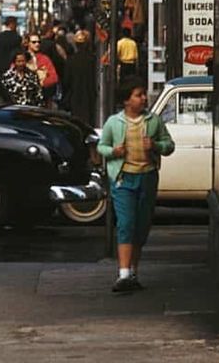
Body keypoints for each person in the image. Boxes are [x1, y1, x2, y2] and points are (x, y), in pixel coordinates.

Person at [97, 76, 175, 293]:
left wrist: (156, 145)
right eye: (138, 95)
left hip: (147, 177)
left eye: (143, 95)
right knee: (126, 223)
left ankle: (133, 272)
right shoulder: (114, 122)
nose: (143, 99)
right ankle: (122, 274)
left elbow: (169, 146)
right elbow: (101, 146)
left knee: (141, 226)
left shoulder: (153, 121)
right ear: (126, 101)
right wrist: (114, 151)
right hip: (123, 179)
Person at [65, 29, 96, 126]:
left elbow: (66, 81)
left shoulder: (71, 60)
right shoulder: (93, 60)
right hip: (90, 95)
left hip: (75, 96)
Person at [24, 34, 59, 106]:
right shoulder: (21, 58)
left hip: (43, 98)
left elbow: (54, 77)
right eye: (34, 42)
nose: (37, 44)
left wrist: (43, 83)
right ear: (28, 43)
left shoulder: (45, 59)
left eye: (39, 42)